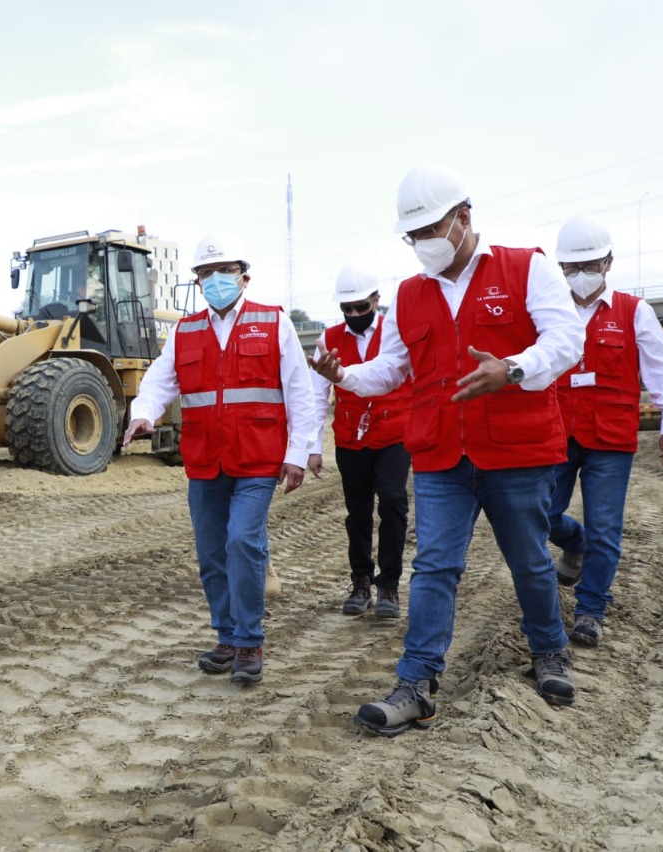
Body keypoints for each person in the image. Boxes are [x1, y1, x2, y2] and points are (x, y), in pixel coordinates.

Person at [310, 163, 585, 735]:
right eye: (413, 236)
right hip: (441, 455)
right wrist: (345, 376)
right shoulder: (410, 296)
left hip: (515, 450)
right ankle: (415, 683)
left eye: (431, 230)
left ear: (463, 217)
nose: (422, 245)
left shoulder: (526, 267)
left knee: (530, 560)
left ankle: (550, 651)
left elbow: (565, 340)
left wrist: (512, 369)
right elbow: (394, 368)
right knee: (434, 567)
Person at [124, 232, 316, 686]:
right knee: (212, 553)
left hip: (258, 459)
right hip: (206, 461)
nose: (214, 280)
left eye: (223, 271)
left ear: (244, 277)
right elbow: (157, 382)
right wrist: (143, 414)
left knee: (242, 542)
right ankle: (227, 636)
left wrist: (298, 453)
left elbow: (300, 392)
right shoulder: (185, 331)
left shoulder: (273, 323)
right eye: (205, 273)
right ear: (196, 281)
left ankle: (250, 641)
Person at [548, 214, 663, 647]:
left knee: (607, 527)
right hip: (555, 433)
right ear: (560, 268)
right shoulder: (548, 310)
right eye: (571, 268)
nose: (580, 275)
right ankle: (577, 543)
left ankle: (591, 609)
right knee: (541, 516)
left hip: (610, 437)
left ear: (608, 263)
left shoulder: (634, 311)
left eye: (589, 265)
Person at [308, 264, 413, 618]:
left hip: (395, 435)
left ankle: (389, 586)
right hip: (351, 439)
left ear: (376, 301)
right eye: (346, 309)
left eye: (361, 308)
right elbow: (316, 396)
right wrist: (312, 446)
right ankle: (361, 581)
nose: (353, 315)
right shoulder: (329, 339)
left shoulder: (397, 335)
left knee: (394, 504)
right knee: (358, 512)